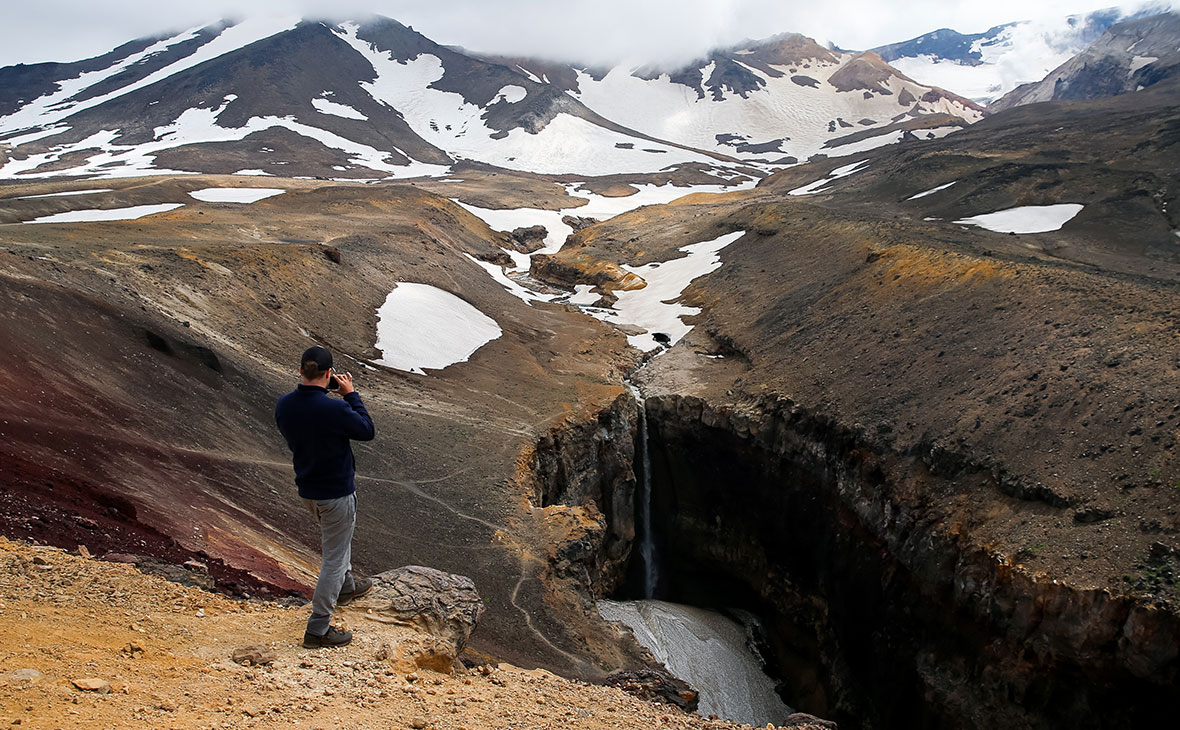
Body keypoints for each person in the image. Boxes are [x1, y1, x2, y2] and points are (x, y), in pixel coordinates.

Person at [275, 345, 375, 648]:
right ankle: (318, 628)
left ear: (300, 371)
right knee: (333, 557)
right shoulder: (334, 409)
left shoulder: (284, 405)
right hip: (336, 493)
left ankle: (346, 588)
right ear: (329, 374)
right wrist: (349, 394)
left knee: (337, 543)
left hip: (309, 489)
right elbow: (366, 430)